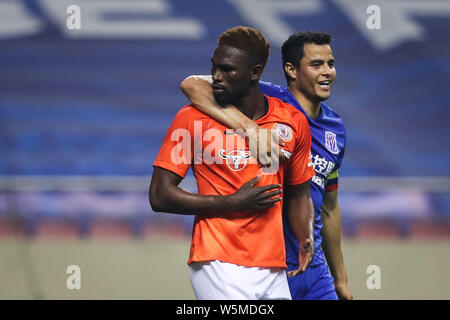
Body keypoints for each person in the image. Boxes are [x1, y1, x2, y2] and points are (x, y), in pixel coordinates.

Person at [180, 31, 353, 300]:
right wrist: (250, 128)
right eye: (316, 64)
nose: (327, 72)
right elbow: (191, 84)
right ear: (291, 70)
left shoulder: (336, 128)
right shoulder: (270, 98)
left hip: (312, 265)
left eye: (330, 64)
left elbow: (329, 206)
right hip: (268, 263)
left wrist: (340, 278)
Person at [150, 26, 316, 300]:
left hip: (273, 265)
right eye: (214, 67)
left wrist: (304, 235)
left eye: (227, 70)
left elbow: (299, 191)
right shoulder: (192, 119)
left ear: (255, 72)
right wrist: (231, 202)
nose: (216, 76)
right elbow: (159, 195)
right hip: (217, 260)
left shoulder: (291, 121)